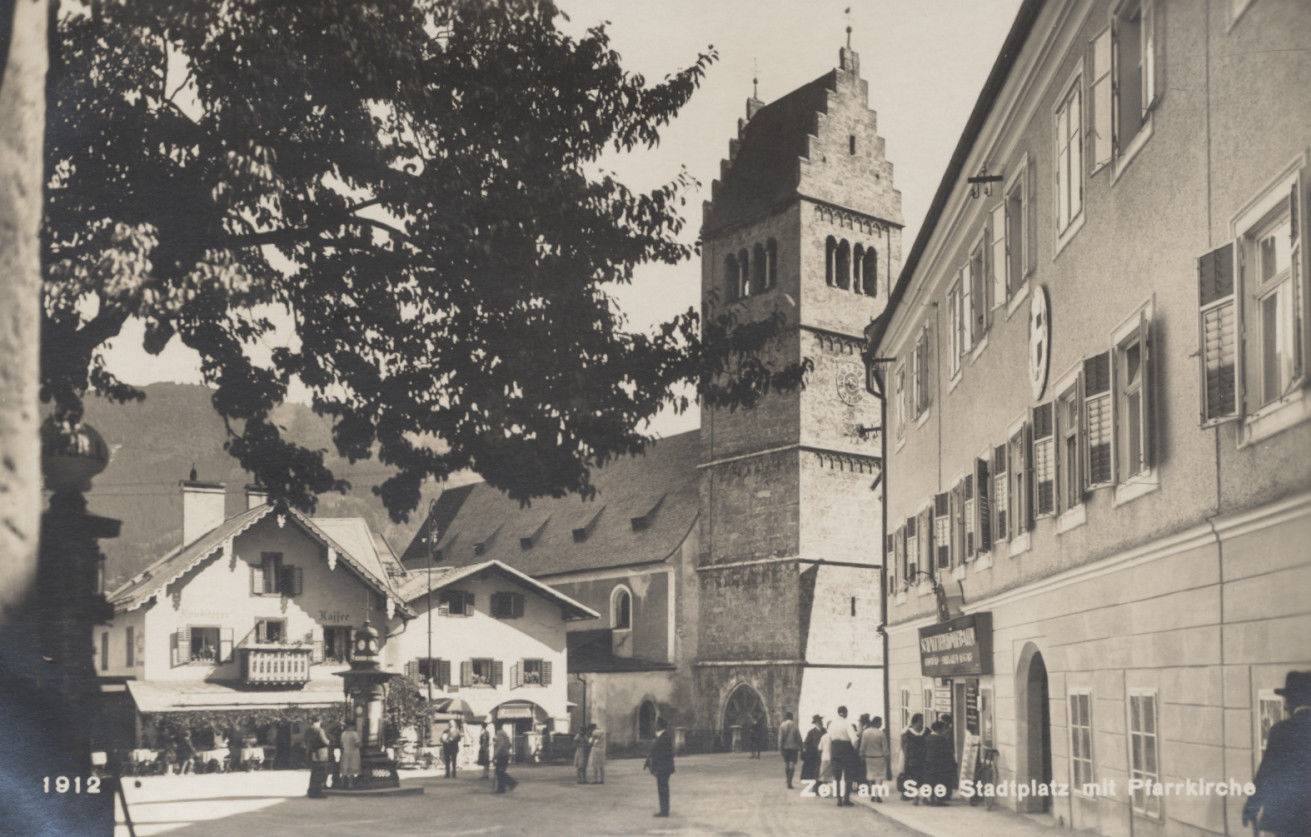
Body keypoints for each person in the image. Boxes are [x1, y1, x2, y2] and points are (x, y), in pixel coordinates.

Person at [1244, 671, 1311, 835]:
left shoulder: (1281, 731)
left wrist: (1251, 806)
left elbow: (1266, 773)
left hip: (1288, 820)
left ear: (1291, 701)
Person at [826, 706, 859, 807]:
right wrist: (855, 750)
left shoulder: (832, 724)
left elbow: (829, 738)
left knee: (837, 776)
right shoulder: (847, 723)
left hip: (835, 749)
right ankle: (846, 799)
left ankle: (839, 799)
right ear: (845, 713)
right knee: (848, 776)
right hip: (846, 750)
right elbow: (854, 740)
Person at [643, 716, 675, 817]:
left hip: (663, 768)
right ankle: (664, 810)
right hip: (663, 768)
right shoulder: (663, 737)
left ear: (660, 726)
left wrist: (655, 766)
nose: (654, 725)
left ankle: (664, 811)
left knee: (663, 789)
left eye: (656, 724)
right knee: (662, 789)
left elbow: (662, 754)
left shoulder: (664, 737)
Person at [924, 720, 957, 805]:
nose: (944, 731)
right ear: (940, 730)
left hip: (929, 763)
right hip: (940, 764)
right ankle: (938, 800)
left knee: (931, 781)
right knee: (940, 781)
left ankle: (930, 799)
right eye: (943, 729)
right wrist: (952, 763)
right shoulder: (941, 739)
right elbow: (947, 752)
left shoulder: (927, 738)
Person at [899, 713, 928, 801]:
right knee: (913, 778)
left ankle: (924, 797)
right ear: (915, 722)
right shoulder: (907, 733)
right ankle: (915, 796)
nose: (922, 723)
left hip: (924, 758)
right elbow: (904, 747)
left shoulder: (926, 731)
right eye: (921, 721)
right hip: (912, 759)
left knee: (924, 778)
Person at [859, 716, 887, 802]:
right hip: (879, 757)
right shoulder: (881, 733)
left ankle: (873, 794)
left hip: (869, 757)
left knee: (871, 776)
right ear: (877, 723)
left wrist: (862, 754)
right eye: (880, 722)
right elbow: (885, 747)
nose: (881, 724)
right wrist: (886, 756)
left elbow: (863, 745)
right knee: (879, 776)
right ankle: (877, 795)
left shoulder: (865, 733)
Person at [305, 717, 331, 799]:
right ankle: (318, 792)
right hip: (321, 753)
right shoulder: (319, 730)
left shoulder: (308, 730)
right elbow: (324, 741)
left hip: (312, 752)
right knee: (321, 772)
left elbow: (305, 740)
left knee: (314, 773)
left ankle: (311, 791)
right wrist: (330, 742)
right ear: (319, 721)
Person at [778, 711, 803, 789]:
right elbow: (798, 737)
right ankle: (790, 781)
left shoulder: (782, 725)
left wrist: (780, 747)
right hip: (793, 748)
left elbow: (780, 738)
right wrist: (801, 746)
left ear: (786, 717)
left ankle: (787, 778)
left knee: (786, 763)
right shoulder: (795, 725)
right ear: (792, 717)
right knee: (792, 764)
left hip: (785, 747)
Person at [493, 723, 517, 793]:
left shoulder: (499, 733)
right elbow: (509, 744)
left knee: (499, 772)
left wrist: (495, 754)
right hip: (505, 754)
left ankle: (510, 783)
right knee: (500, 772)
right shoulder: (504, 733)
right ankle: (502, 788)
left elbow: (500, 745)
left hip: (501, 755)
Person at [800, 715, 824, 783]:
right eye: (819, 722)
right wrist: (805, 750)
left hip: (822, 752)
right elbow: (806, 743)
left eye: (821, 721)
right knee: (815, 769)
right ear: (815, 723)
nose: (820, 723)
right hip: (814, 753)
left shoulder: (825, 731)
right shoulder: (811, 732)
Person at [338, 724, 361, 790]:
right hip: (353, 753)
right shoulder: (354, 734)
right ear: (351, 726)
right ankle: (350, 784)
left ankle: (342, 783)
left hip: (345, 752)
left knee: (344, 768)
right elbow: (357, 744)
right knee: (352, 768)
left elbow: (341, 744)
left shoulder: (343, 734)